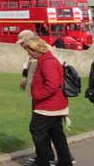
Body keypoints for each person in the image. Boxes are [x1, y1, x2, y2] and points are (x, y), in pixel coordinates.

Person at [22, 36, 73, 166]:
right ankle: (65, 161)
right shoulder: (45, 60)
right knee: (56, 134)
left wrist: (37, 95)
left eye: (29, 50)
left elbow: (52, 84)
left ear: (36, 49)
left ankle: (43, 160)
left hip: (48, 107)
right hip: (55, 105)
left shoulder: (47, 62)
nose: (28, 53)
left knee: (36, 130)